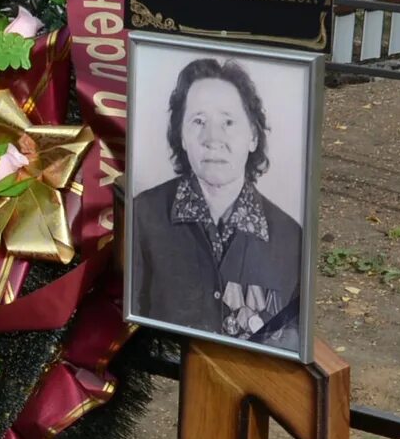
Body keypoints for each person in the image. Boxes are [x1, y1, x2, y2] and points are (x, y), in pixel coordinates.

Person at [128, 55, 307, 351]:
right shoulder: (143, 216)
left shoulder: (290, 237)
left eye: (228, 121)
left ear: (252, 136)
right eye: (199, 121)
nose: (213, 138)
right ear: (182, 135)